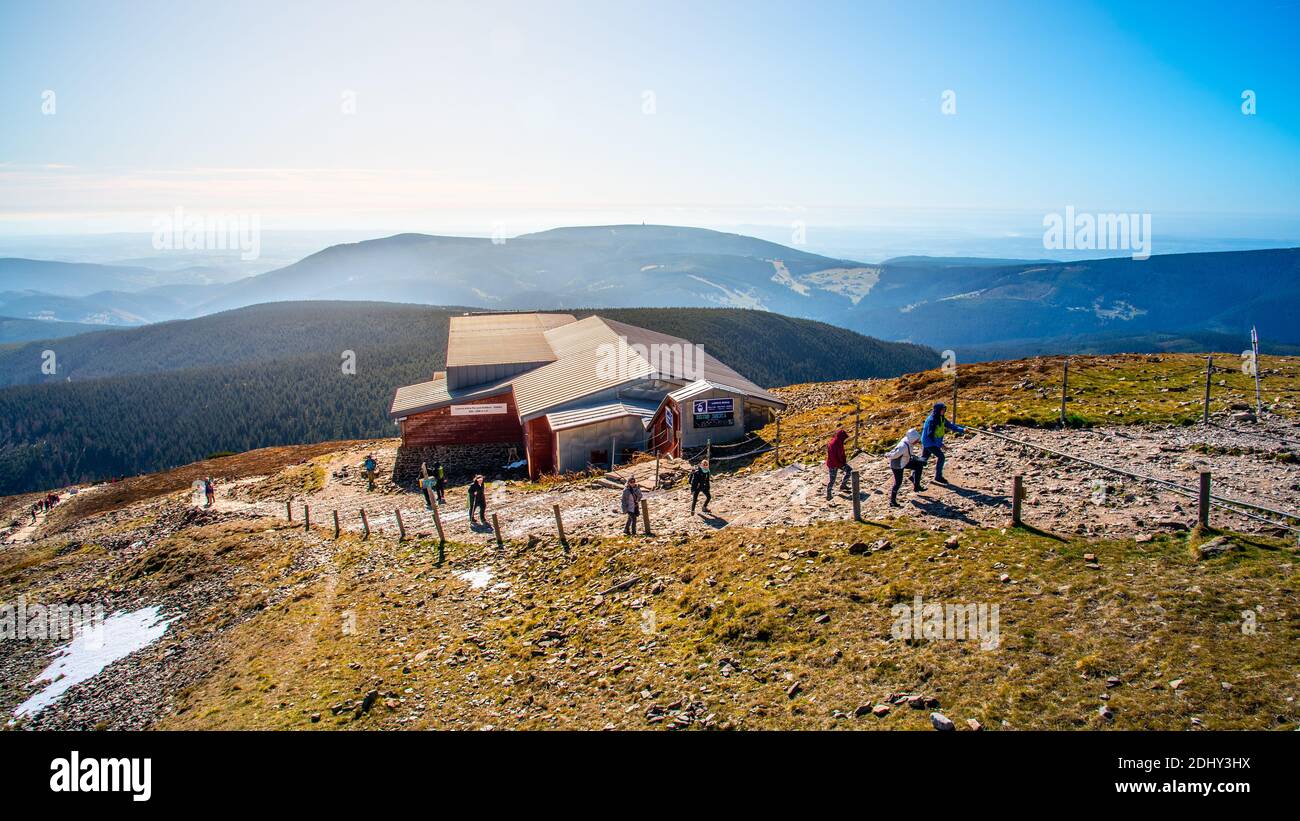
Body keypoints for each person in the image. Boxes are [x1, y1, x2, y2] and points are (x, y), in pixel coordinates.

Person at [921, 402, 966, 484]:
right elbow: (930, 435)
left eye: (944, 410)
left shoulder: (941, 418)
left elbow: (950, 426)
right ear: (938, 410)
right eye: (942, 410)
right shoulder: (932, 420)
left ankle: (914, 475)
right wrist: (940, 445)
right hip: (930, 443)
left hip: (930, 442)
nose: (944, 411)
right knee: (941, 457)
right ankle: (938, 477)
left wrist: (962, 430)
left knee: (923, 460)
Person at [885, 428, 925, 506]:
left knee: (918, 466)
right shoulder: (903, 446)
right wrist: (887, 454)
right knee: (898, 482)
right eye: (916, 440)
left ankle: (916, 485)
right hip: (897, 465)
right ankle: (892, 501)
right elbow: (894, 455)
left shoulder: (909, 441)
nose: (917, 441)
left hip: (905, 461)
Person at [825, 428, 852, 499]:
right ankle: (828, 494)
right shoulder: (832, 445)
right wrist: (840, 465)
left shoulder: (840, 442)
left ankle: (843, 485)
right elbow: (833, 458)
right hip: (832, 465)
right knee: (832, 480)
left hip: (840, 463)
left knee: (849, 470)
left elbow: (842, 454)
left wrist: (844, 461)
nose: (844, 440)